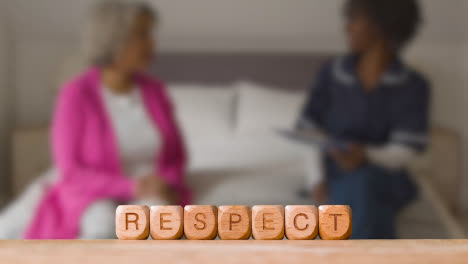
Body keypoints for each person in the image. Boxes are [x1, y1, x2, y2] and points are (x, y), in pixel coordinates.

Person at [0, 0, 190, 239]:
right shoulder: (75, 95)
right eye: (142, 34)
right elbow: (70, 170)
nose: (152, 43)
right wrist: (130, 187)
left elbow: (176, 155)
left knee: (164, 225)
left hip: (150, 188)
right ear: (114, 39)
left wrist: (168, 183)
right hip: (92, 189)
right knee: (99, 224)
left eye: (150, 33)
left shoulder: (155, 92)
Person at [298, 0, 429, 239]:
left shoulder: (413, 85)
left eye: (354, 19)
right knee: (363, 193)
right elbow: (310, 130)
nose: (346, 28)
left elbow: (405, 150)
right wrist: (316, 179)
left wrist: (365, 155)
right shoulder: (332, 73)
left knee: (365, 185)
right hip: (336, 170)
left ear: (381, 25)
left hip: (388, 173)